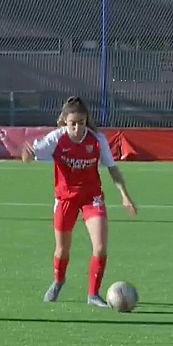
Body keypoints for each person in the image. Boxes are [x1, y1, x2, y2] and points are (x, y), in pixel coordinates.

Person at [21, 96, 137, 308]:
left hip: (92, 199)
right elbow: (30, 155)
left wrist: (124, 195)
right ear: (65, 121)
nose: (77, 128)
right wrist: (27, 155)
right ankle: (58, 280)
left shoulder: (96, 140)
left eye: (81, 123)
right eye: (72, 123)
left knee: (100, 248)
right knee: (62, 251)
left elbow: (112, 169)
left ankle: (93, 294)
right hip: (65, 199)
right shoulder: (56, 138)